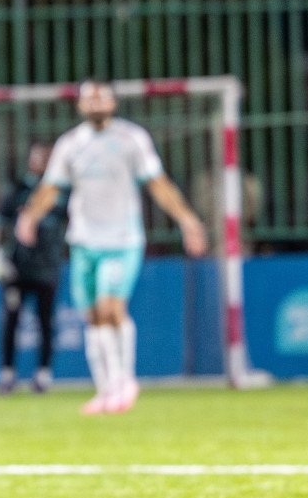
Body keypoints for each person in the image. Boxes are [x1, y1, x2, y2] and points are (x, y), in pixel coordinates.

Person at [17, 80, 206, 414]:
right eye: (89, 98)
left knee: (111, 309)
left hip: (122, 239)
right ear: (79, 105)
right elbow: (51, 187)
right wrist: (29, 217)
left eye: (102, 97)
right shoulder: (71, 144)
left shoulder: (132, 138)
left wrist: (187, 220)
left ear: (113, 102)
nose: (96, 103)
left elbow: (157, 183)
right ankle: (105, 388)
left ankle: (124, 382)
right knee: (92, 316)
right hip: (83, 240)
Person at [0, 141, 67, 394]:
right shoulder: (18, 189)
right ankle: (7, 373)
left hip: (47, 268)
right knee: (12, 320)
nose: (40, 162)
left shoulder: (61, 192)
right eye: (37, 157)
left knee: (46, 322)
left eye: (46, 157)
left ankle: (43, 374)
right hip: (17, 269)